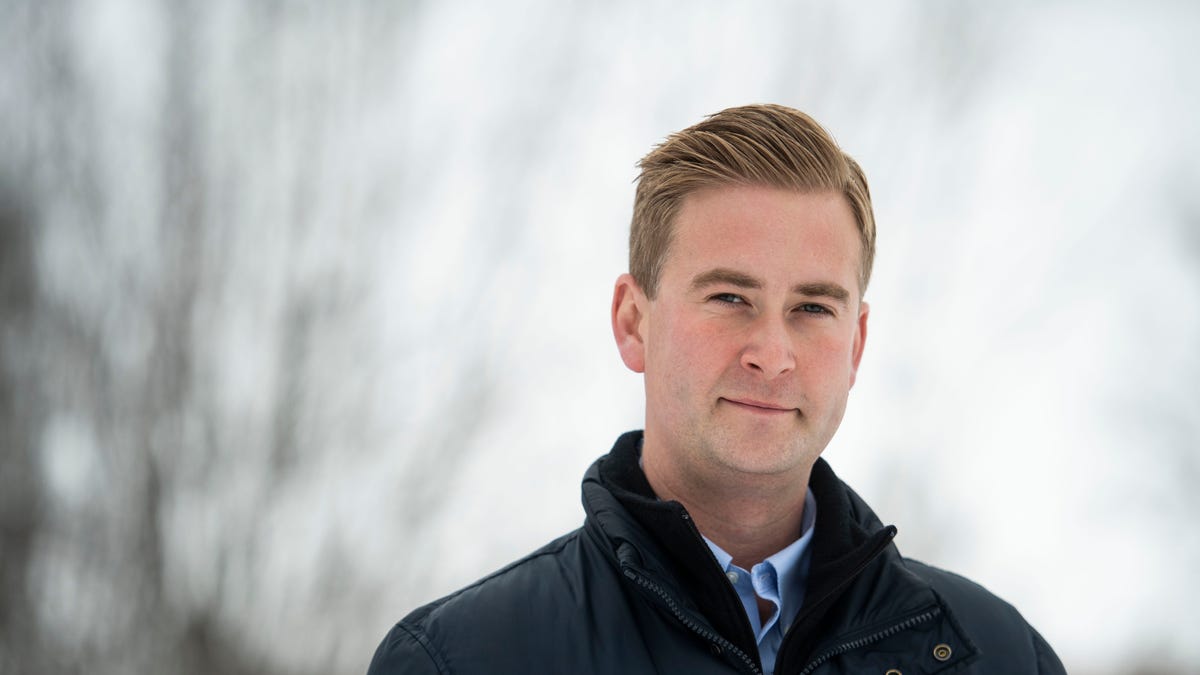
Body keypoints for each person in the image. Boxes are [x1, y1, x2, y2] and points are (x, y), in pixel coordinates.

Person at [367, 104, 1065, 674]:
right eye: (731, 296)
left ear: (856, 344)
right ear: (633, 321)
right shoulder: (461, 661)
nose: (772, 353)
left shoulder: (1000, 654)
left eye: (814, 307)